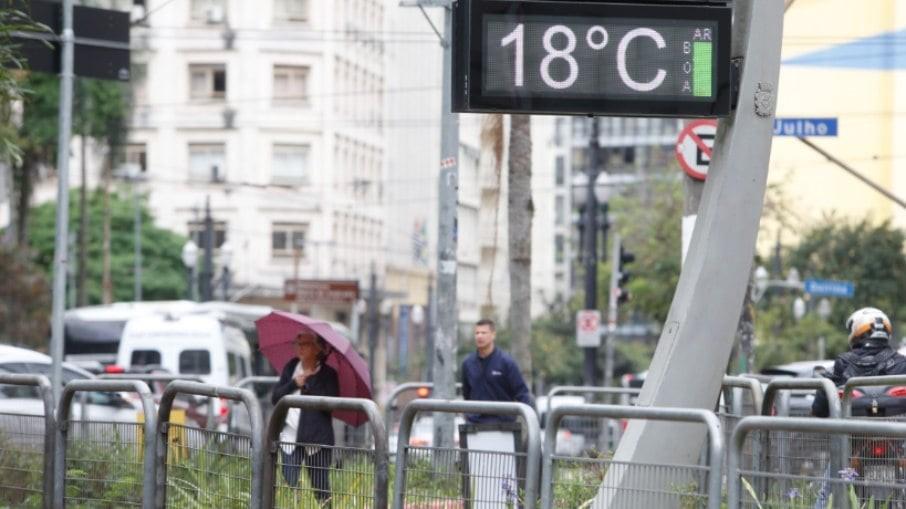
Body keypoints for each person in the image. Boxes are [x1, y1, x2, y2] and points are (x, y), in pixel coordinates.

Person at [272, 331, 339, 505]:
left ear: (317, 349)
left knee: (321, 489)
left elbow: (331, 404)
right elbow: (275, 397)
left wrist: (311, 383)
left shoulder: (328, 374)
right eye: (298, 344)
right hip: (290, 437)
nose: (299, 348)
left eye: (305, 344)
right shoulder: (291, 367)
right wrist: (294, 383)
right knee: (290, 487)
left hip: (317, 439)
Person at [812, 307, 906, 417]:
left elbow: (818, 411)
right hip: (896, 431)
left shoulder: (843, 362)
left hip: (850, 432)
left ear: (857, 330)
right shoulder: (901, 362)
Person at [461, 318, 534, 423]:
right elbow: (466, 394)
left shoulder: (506, 362)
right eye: (477, 333)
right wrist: (468, 416)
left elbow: (522, 394)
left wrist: (524, 423)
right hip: (474, 425)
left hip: (503, 426)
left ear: (493, 335)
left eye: (484, 333)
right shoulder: (468, 363)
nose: (479, 336)